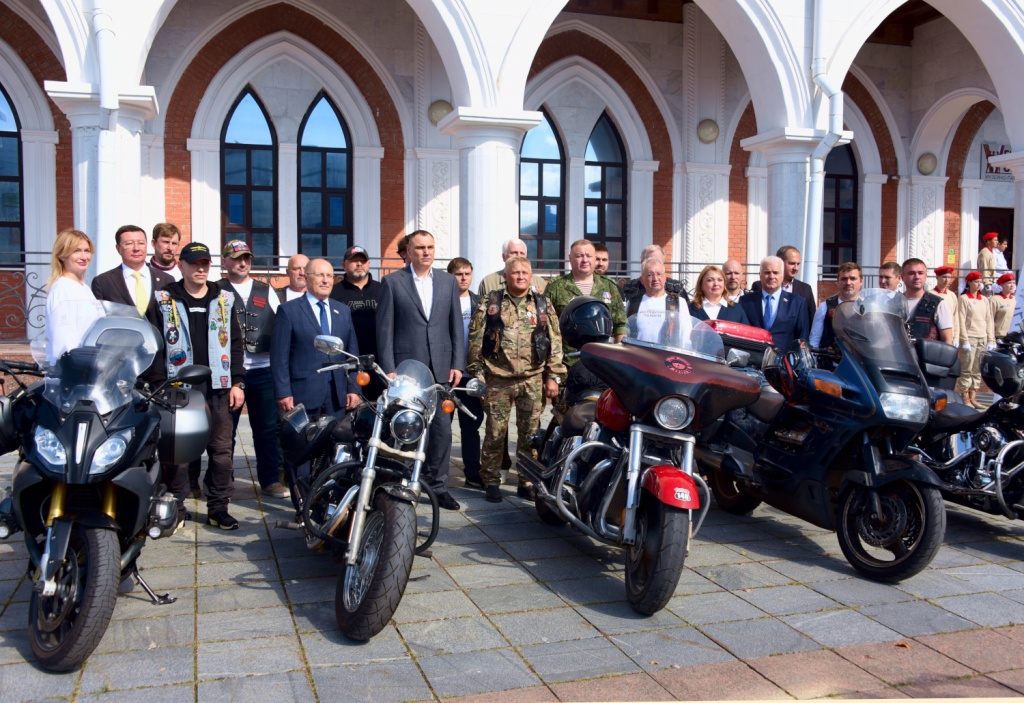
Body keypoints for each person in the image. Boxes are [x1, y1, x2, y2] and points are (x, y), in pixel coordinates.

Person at [154, 242, 245, 530]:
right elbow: (154, 345)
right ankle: (177, 508)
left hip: (218, 387)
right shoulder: (164, 300)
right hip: (179, 389)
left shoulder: (224, 300)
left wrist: (238, 382)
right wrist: (159, 385)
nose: (200, 268)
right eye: (194, 263)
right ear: (181, 265)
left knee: (221, 452)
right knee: (178, 454)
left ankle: (218, 508)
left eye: (205, 263)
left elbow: (235, 344)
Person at [376, 229, 465, 511]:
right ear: (408, 252)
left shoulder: (448, 282)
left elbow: (455, 326)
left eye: (430, 247)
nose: (426, 252)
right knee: (404, 428)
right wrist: (389, 369)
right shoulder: (392, 282)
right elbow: (384, 329)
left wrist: (457, 364)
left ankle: (438, 487)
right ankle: (401, 482)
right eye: (420, 248)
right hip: (407, 371)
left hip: (441, 369)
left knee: (442, 431)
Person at [467, 256, 564, 503]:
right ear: (506, 276)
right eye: (515, 272)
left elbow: (555, 341)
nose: (520, 276)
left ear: (531, 275)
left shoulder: (542, 303)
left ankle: (526, 481)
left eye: (524, 272)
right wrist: (477, 375)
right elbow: (476, 339)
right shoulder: (491, 302)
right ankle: (491, 480)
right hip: (497, 379)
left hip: (532, 379)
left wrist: (553, 376)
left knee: (530, 435)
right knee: (495, 433)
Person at [271, 258, 361, 507]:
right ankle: (303, 504)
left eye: (330, 276)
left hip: (336, 394)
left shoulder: (342, 311)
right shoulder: (289, 310)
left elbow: (351, 353)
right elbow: (279, 356)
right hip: (302, 392)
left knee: (335, 449)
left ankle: (329, 500)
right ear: (306, 277)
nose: (325, 280)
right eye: (320, 275)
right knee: (302, 449)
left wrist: (353, 387)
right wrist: (283, 391)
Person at [218, 239, 289, 500]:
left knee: (268, 430)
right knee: (224, 431)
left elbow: (280, 324)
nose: (243, 263)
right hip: (227, 372)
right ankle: (223, 482)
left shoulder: (265, 289)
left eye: (246, 258)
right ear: (225, 261)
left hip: (263, 369)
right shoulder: (216, 290)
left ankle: (270, 479)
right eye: (237, 258)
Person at [90, 224, 175, 384]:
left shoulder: (167, 281)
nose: (136, 248)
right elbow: (99, 324)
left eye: (141, 243)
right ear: (118, 248)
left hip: (158, 367)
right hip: (119, 366)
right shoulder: (103, 282)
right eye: (129, 244)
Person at [545, 239, 628, 364]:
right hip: (567, 363)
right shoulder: (555, 287)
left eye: (589, 256)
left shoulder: (609, 286)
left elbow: (621, 325)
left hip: (602, 363)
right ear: (570, 258)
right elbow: (547, 328)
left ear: (594, 258)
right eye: (579, 256)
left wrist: (618, 359)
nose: (585, 260)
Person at [447, 257, 483, 490]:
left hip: (471, 375)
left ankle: (472, 473)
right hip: (448, 375)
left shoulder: (480, 303)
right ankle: (438, 474)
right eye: (459, 274)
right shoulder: (442, 301)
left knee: (471, 426)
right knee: (442, 428)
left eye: (467, 274)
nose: (463, 278)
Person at [330, 245, 385, 399]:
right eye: (354, 261)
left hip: (379, 362)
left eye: (363, 261)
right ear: (344, 265)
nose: (359, 264)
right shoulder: (333, 293)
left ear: (368, 264)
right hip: (348, 361)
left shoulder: (383, 290)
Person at [44, 229, 105, 365]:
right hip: (73, 368)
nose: (84, 257)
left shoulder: (84, 287)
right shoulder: (63, 289)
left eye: (87, 251)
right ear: (62, 255)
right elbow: (63, 339)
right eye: (76, 251)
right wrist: (72, 367)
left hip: (89, 364)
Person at [739, 255, 810, 351]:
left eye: (775, 273)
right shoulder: (745, 301)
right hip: (753, 357)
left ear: (782, 275)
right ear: (760, 275)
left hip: (784, 358)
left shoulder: (797, 303)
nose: (771, 276)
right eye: (767, 272)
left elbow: (802, 339)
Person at [958, 270, 995, 408]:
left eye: (980, 282)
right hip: (970, 337)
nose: (979, 284)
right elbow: (961, 320)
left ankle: (974, 397)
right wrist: (964, 339)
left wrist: (991, 339)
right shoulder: (964, 299)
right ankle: (965, 396)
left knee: (977, 369)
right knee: (967, 368)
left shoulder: (984, 300)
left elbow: (989, 320)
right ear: (969, 283)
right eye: (976, 282)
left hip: (982, 337)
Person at [809, 262, 864, 349]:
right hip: (832, 357)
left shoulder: (868, 307)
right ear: (837, 282)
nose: (848, 282)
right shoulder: (825, 307)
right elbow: (814, 340)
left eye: (853, 278)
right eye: (844, 279)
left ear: (861, 281)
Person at [752, 245, 816, 318]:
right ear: (780, 262)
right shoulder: (759, 286)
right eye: (792, 263)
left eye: (798, 264)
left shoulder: (805, 289)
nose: (796, 268)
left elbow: (811, 319)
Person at [901, 258, 953, 345]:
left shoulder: (938, 304)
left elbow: (947, 340)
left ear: (926, 276)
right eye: (911, 273)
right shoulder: (895, 303)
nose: (917, 277)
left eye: (920, 273)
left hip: (928, 353)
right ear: (902, 277)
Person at [477, 237, 546, 296]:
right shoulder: (488, 283)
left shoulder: (539, 282)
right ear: (504, 257)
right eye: (514, 253)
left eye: (522, 253)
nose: (518, 256)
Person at [621, 244, 685, 302]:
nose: (654, 265)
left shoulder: (676, 287)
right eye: (650, 261)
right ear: (642, 263)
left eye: (658, 261)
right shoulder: (629, 288)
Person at [933, 265, 960, 347]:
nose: (947, 280)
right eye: (944, 277)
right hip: (934, 337)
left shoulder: (952, 295)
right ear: (937, 277)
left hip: (950, 337)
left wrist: (956, 337)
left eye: (949, 277)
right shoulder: (930, 295)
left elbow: (955, 317)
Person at [991, 272, 1017, 339]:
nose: (1012, 285)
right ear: (1001, 284)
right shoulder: (994, 299)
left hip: (1015, 335)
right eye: (1009, 283)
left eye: (1013, 283)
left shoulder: (1015, 299)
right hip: (1000, 335)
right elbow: (989, 319)